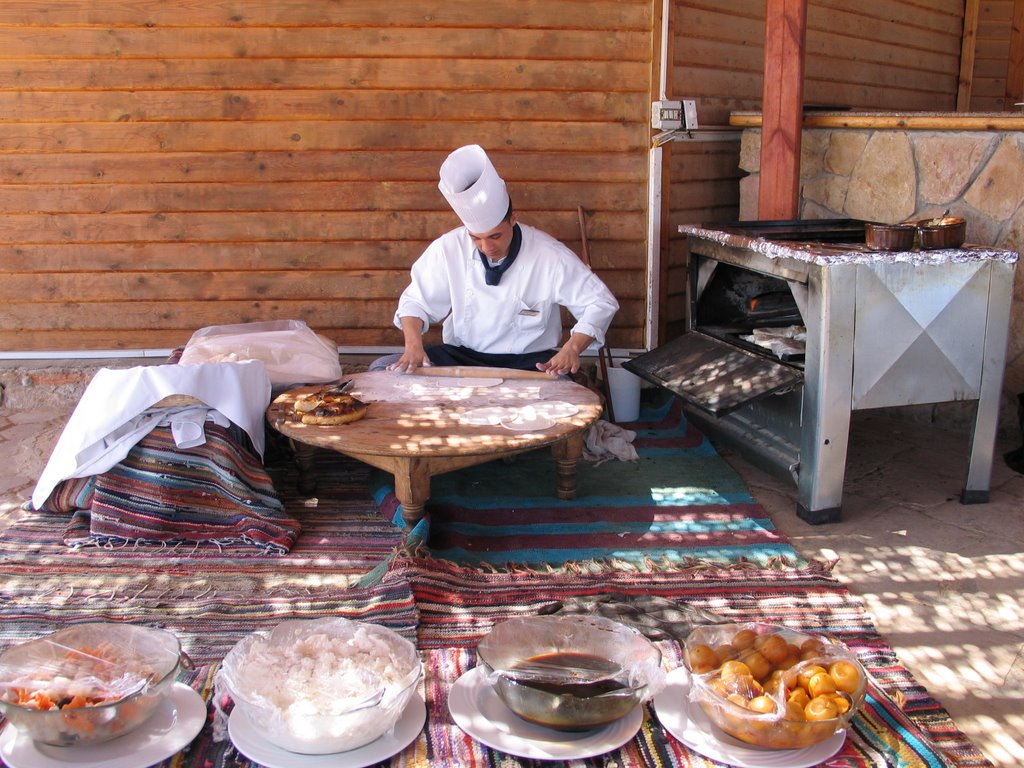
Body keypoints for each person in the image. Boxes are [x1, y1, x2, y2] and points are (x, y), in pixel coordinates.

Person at [375, 144, 619, 376]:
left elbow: (600, 302)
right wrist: (413, 346)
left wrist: (572, 348)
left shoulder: (549, 254)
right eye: (476, 239)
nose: (487, 247)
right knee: (382, 366)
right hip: (462, 358)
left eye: (495, 236)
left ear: (513, 218)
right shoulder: (448, 248)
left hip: (528, 363)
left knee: (567, 393)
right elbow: (416, 302)